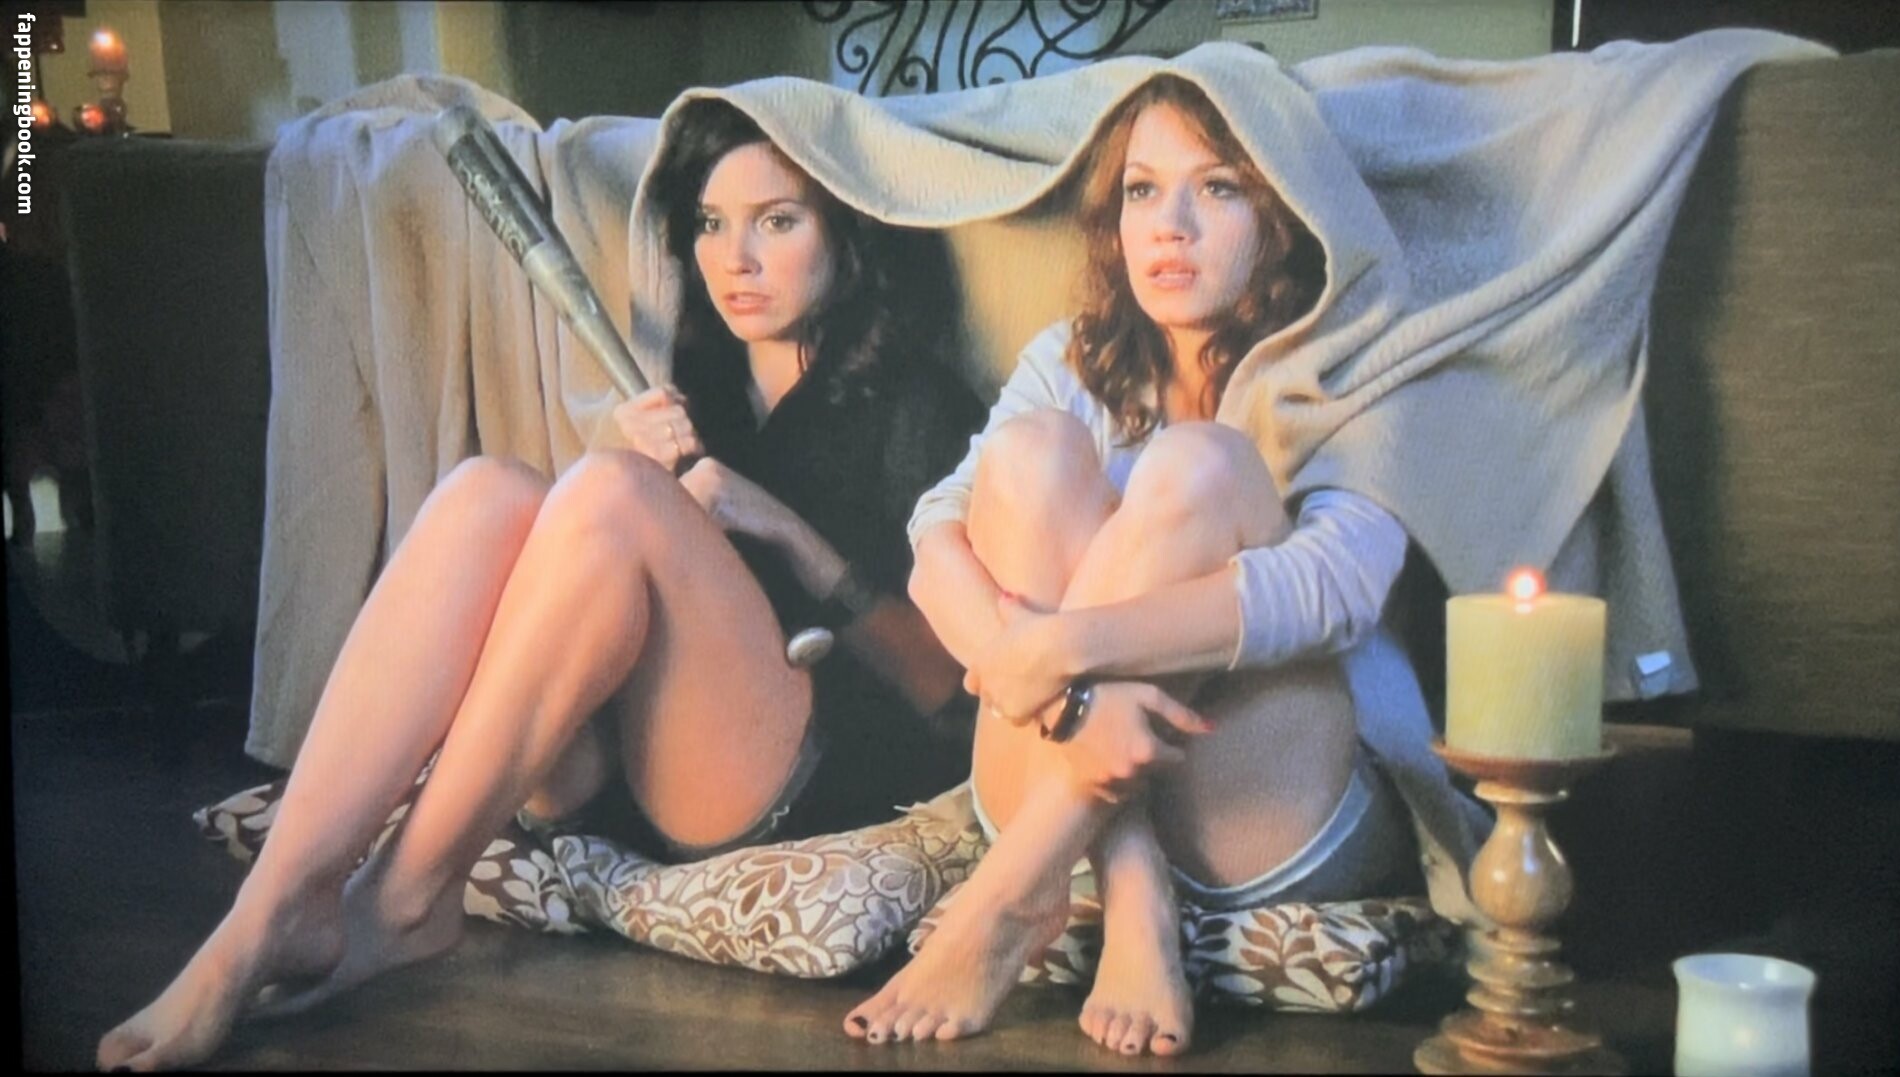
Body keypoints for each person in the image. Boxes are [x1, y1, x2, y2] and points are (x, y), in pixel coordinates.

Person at [97, 98, 983, 1072]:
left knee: (609, 492)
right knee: (487, 492)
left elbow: (949, 691)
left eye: (778, 221)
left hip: (797, 776)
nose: (736, 259)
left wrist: (781, 529)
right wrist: (652, 483)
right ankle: (271, 907)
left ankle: (405, 896)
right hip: (611, 777)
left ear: (847, 236)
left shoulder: (921, 404)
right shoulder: (696, 390)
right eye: (710, 223)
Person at [843, 75, 1431, 1056]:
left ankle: (1002, 896)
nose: (1171, 225)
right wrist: (1062, 692)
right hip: (1044, 787)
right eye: (1143, 190)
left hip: (1268, 801)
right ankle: (1129, 883)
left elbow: (1337, 590)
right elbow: (936, 535)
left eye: (1220, 188)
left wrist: (1060, 648)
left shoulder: (1355, 362)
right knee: (1029, 453)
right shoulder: (1068, 360)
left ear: (1286, 216)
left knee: (1200, 465)